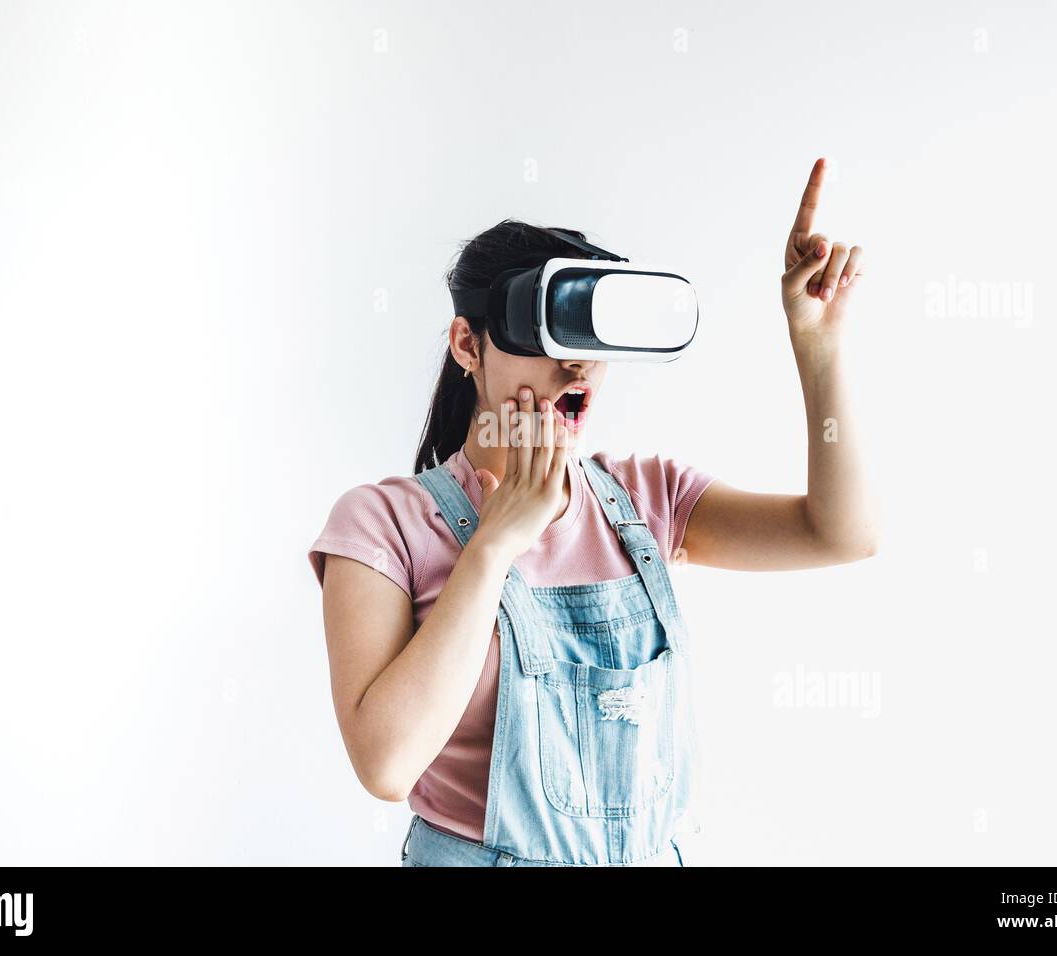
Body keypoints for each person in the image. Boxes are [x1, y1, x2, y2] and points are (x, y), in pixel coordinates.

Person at [308, 158, 877, 866]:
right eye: (550, 338)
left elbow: (842, 535)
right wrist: (493, 546)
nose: (577, 368)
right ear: (467, 345)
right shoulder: (382, 524)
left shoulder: (646, 500)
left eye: (591, 341)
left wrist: (818, 346)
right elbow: (385, 767)